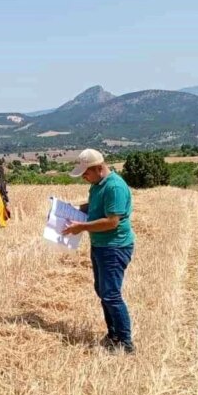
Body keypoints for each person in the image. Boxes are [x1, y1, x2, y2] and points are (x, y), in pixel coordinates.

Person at [62, 149, 135, 354]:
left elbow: (112, 222)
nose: (83, 177)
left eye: (86, 172)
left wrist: (81, 227)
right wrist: (72, 209)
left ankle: (126, 343)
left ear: (99, 168)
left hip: (115, 247)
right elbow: (94, 206)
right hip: (101, 245)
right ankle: (113, 335)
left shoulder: (114, 187)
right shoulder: (97, 185)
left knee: (111, 294)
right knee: (102, 291)